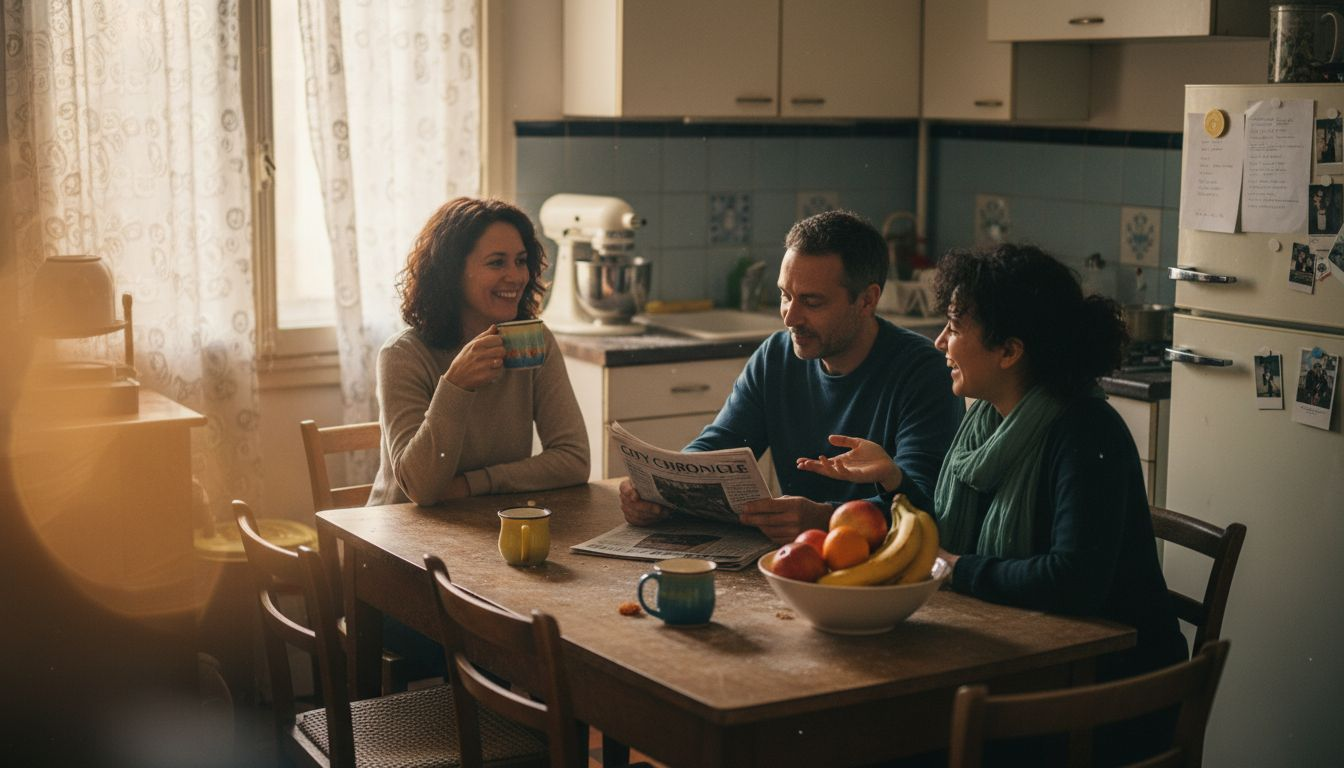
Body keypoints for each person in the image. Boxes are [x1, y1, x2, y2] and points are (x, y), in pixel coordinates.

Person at [799, 243, 1187, 688]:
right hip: (1029, 653)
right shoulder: (988, 420)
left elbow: (1072, 581)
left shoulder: (1086, 431)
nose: (940, 342)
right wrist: (893, 478)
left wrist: (956, 569)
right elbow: (949, 527)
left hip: (1110, 685)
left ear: (1008, 351)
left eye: (954, 327)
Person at [619, 210, 964, 543]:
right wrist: (660, 490)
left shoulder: (924, 372)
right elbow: (718, 446)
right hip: (795, 560)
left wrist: (827, 518)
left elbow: (926, 502)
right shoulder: (775, 356)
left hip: (891, 566)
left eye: (812, 302)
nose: (789, 317)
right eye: (785, 296)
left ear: (867, 300)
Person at [367, 197, 589, 507]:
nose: (516, 276)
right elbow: (419, 488)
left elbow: (574, 459)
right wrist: (455, 386)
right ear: (452, 272)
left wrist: (473, 484)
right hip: (401, 528)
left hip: (490, 521)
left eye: (521, 261)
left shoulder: (533, 342)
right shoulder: (403, 355)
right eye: (497, 262)